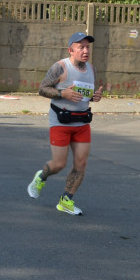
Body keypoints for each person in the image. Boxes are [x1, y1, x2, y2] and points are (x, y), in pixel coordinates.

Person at [27, 32, 104, 216]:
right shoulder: (60, 67)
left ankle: (66, 200)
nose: (86, 51)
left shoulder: (92, 69)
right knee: (59, 164)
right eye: (81, 47)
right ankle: (42, 176)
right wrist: (62, 93)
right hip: (61, 121)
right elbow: (42, 89)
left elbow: (87, 93)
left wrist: (95, 97)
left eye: (88, 47)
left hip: (82, 121)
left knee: (81, 163)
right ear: (71, 50)